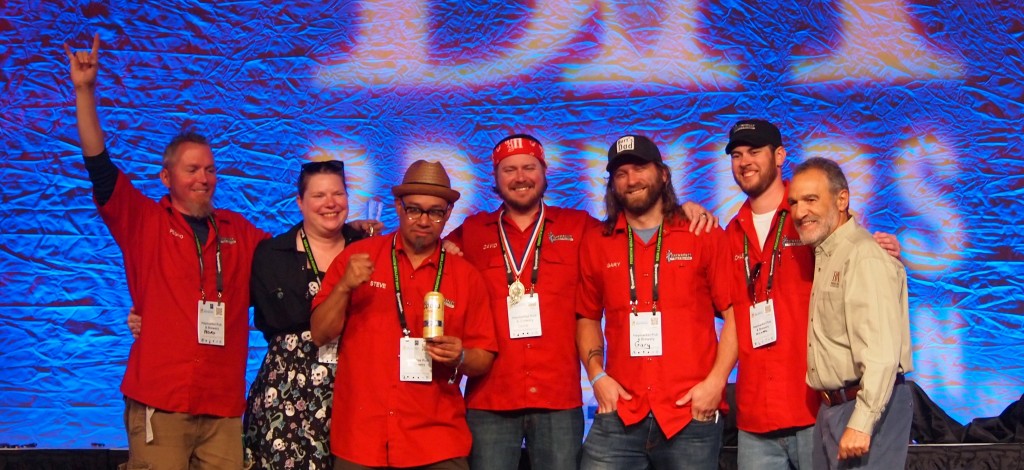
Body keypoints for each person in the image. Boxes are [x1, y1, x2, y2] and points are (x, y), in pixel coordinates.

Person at [65, 34, 267, 468]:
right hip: (161, 398)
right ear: (165, 177)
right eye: (192, 169)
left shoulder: (238, 230)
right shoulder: (143, 221)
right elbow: (99, 163)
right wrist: (85, 91)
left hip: (222, 407)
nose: (204, 178)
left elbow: (292, 255)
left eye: (211, 169)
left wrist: (348, 229)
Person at [723, 119, 902, 470]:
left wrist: (884, 252)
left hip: (814, 410)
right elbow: (727, 315)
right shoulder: (728, 234)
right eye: (736, 154)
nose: (745, 161)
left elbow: (857, 251)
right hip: (755, 419)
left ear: (779, 156)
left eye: (755, 151)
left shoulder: (812, 216)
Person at [310, 160, 499, 470]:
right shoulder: (358, 258)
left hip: (437, 442)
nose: (423, 220)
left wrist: (460, 355)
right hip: (362, 440)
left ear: (448, 213)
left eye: (435, 211)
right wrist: (344, 287)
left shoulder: (465, 276)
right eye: (414, 209)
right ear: (398, 206)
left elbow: (484, 356)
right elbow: (319, 333)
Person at [576, 135, 736, 469]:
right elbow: (587, 317)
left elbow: (736, 316)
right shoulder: (597, 242)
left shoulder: (702, 233)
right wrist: (596, 377)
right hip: (621, 410)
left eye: (639, 168)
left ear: (663, 174)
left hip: (690, 412)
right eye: (621, 173)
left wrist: (716, 383)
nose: (631, 180)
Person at [788, 157, 913, 470]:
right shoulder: (827, 253)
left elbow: (883, 352)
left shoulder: (864, 257)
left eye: (811, 200)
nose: (800, 212)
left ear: (842, 199)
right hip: (833, 407)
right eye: (794, 202)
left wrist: (862, 421)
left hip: (866, 406)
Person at [243, 160, 366, 470]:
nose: (330, 203)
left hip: (356, 388)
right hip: (286, 395)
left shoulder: (367, 250)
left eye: (338, 193)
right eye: (319, 195)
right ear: (300, 202)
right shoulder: (271, 254)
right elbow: (232, 302)